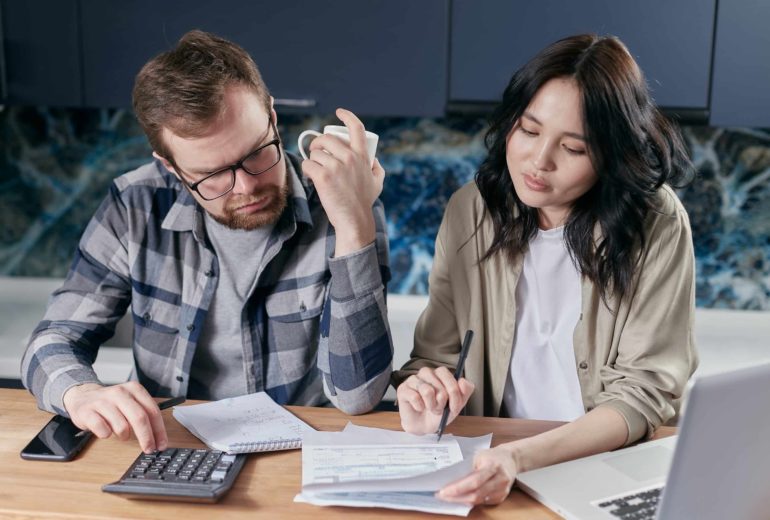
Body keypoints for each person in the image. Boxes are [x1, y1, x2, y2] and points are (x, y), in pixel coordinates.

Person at [21, 30, 393, 454]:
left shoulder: (345, 201)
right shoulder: (135, 204)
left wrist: (353, 223)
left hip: (297, 458)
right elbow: (52, 340)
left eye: (256, 153)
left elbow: (358, 395)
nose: (246, 187)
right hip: (171, 449)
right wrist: (80, 393)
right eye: (213, 174)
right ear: (172, 167)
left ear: (273, 118)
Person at [392, 33, 697, 506]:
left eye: (573, 149)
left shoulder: (656, 222)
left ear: (610, 156)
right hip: (492, 465)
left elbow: (644, 393)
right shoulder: (470, 211)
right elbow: (436, 356)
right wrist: (425, 399)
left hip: (603, 469)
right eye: (529, 131)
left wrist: (520, 457)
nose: (539, 161)